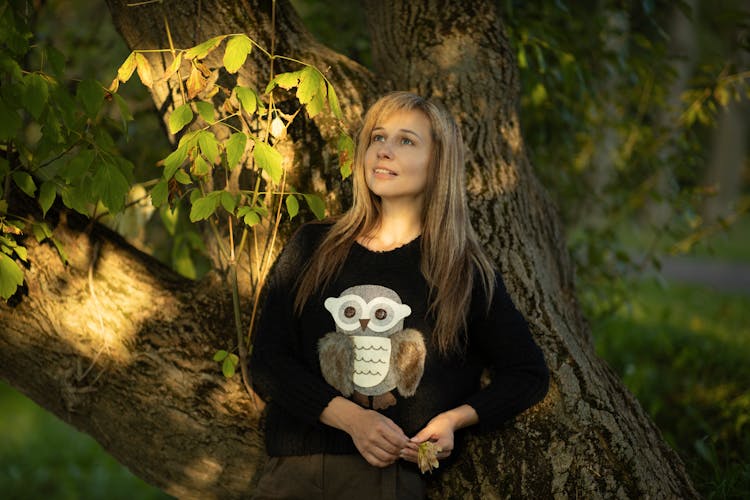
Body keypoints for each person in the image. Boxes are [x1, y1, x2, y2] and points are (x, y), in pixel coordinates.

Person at [249, 91, 549, 499]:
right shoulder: (312, 246)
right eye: (377, 138)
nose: (384, 152)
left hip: (388, 482)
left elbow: (527, 373)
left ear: (438, 162)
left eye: (406, 141)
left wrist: (453, 421)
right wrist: (353, 420)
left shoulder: (460, 271)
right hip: (293, 475)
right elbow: (267, 360)